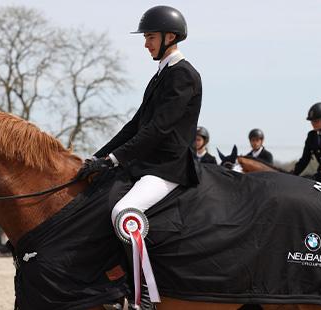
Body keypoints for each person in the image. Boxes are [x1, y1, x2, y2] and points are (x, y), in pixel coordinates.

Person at [76, 6, 201, 309]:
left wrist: (116, 159)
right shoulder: (161, 75)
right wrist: (98, 157)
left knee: (124, 210)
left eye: (150, 37)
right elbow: (135, 126)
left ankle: (144, 296)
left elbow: (159, 129)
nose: (146, 44)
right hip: (147, 164)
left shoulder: (183, 75)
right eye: (146, 37)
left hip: (168, 168)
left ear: (170, 36)